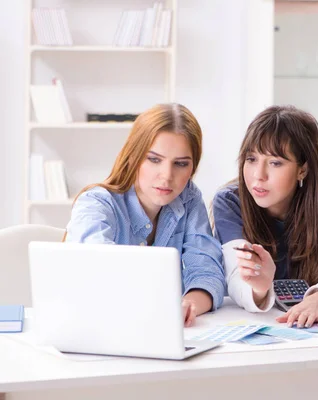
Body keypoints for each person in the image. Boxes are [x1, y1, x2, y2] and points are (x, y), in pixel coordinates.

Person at [65, 103, 226, 327]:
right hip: (101, 329)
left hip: (166, 333)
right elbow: (95, 270)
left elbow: (207, 271)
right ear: (134, 156)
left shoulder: (188, 198)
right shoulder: (96, 203)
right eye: (154, 159)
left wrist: (189, 304)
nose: (167, 176)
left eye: (180, 164)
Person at [212, 105, 318, 328]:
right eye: (251, 159)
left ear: (303, 169)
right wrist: (259, 287)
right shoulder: (230, 201)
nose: (258, 176)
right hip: (254, 324)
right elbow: (235, 279)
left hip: (304, 326)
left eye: (275, 163)